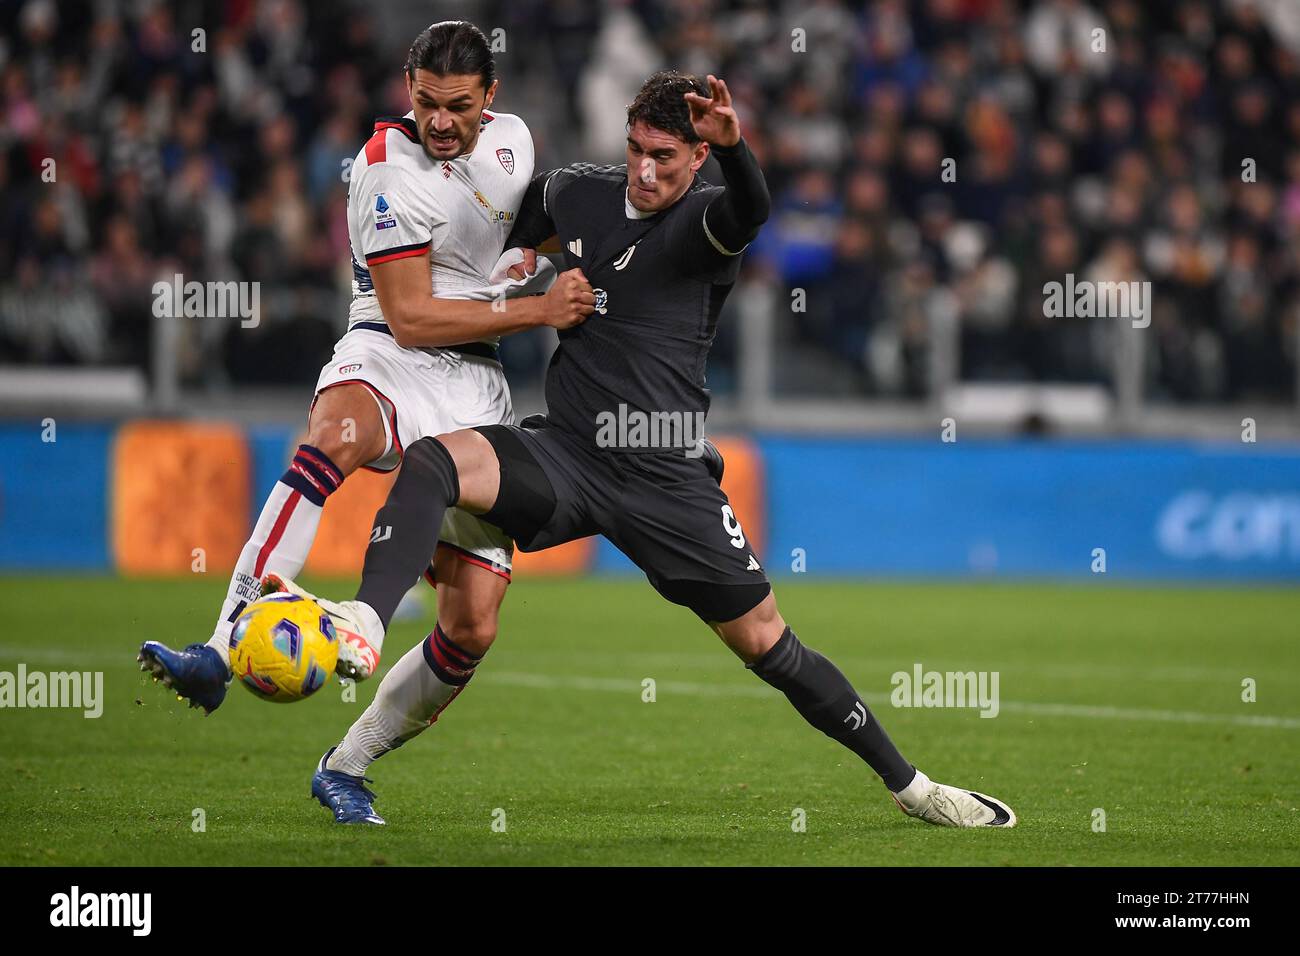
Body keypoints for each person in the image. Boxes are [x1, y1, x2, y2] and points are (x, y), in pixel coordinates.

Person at [282, 71, 1016, 830]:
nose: (646, 169)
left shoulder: (704, 224)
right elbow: (539, 203)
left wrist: (739, 151)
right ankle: (364, 627)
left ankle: (914, 787)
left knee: (770, 645)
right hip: (568, 456)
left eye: (666, 155)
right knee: (433, 461)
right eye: (636, 149)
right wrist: (515, 261)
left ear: (698, 156)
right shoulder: (582, 191)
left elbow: (751, 209)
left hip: (666, 477)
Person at [137, 20, 595, 714]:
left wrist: (541, 249)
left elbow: (519, 218)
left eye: (458, 106)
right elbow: (411, 317)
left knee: (471, 623)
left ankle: (350, 763)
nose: (439, 121)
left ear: (489, 96)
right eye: (425, 102)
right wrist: (538, 309)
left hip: (476, 382)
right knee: (337, 436)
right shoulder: (385, 170)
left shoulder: (516, 142)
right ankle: (218, 649)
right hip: (389, 347)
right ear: (407, 90)